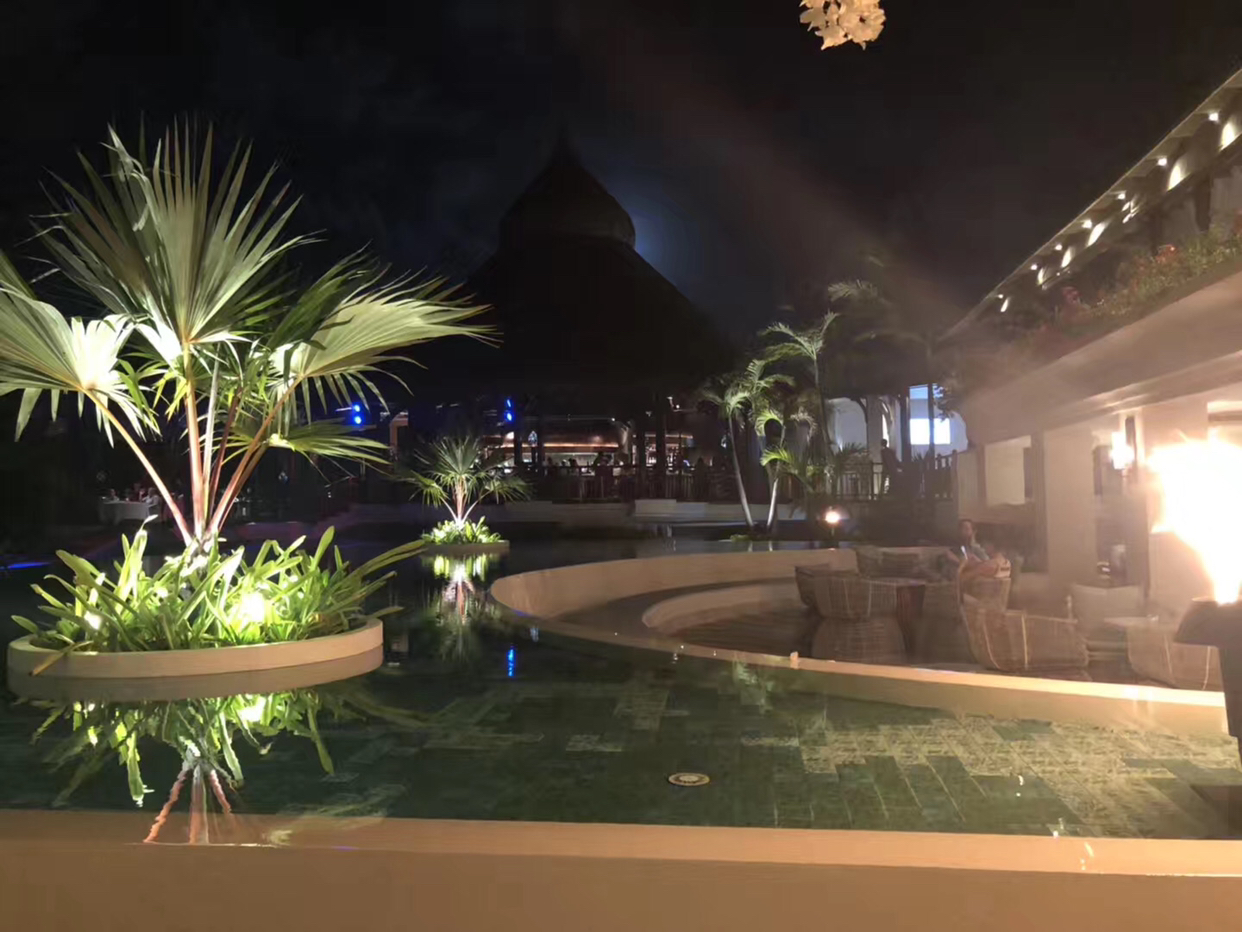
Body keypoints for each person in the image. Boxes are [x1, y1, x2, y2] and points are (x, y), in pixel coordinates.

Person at [951, 518, 1011, 584]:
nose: (983, 547)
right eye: (961, 529)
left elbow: (961, 578)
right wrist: (978, 563)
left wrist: (961, 563)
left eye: (966, 529)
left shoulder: (987, 563)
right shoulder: (1006, 563)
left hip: (976, 589)